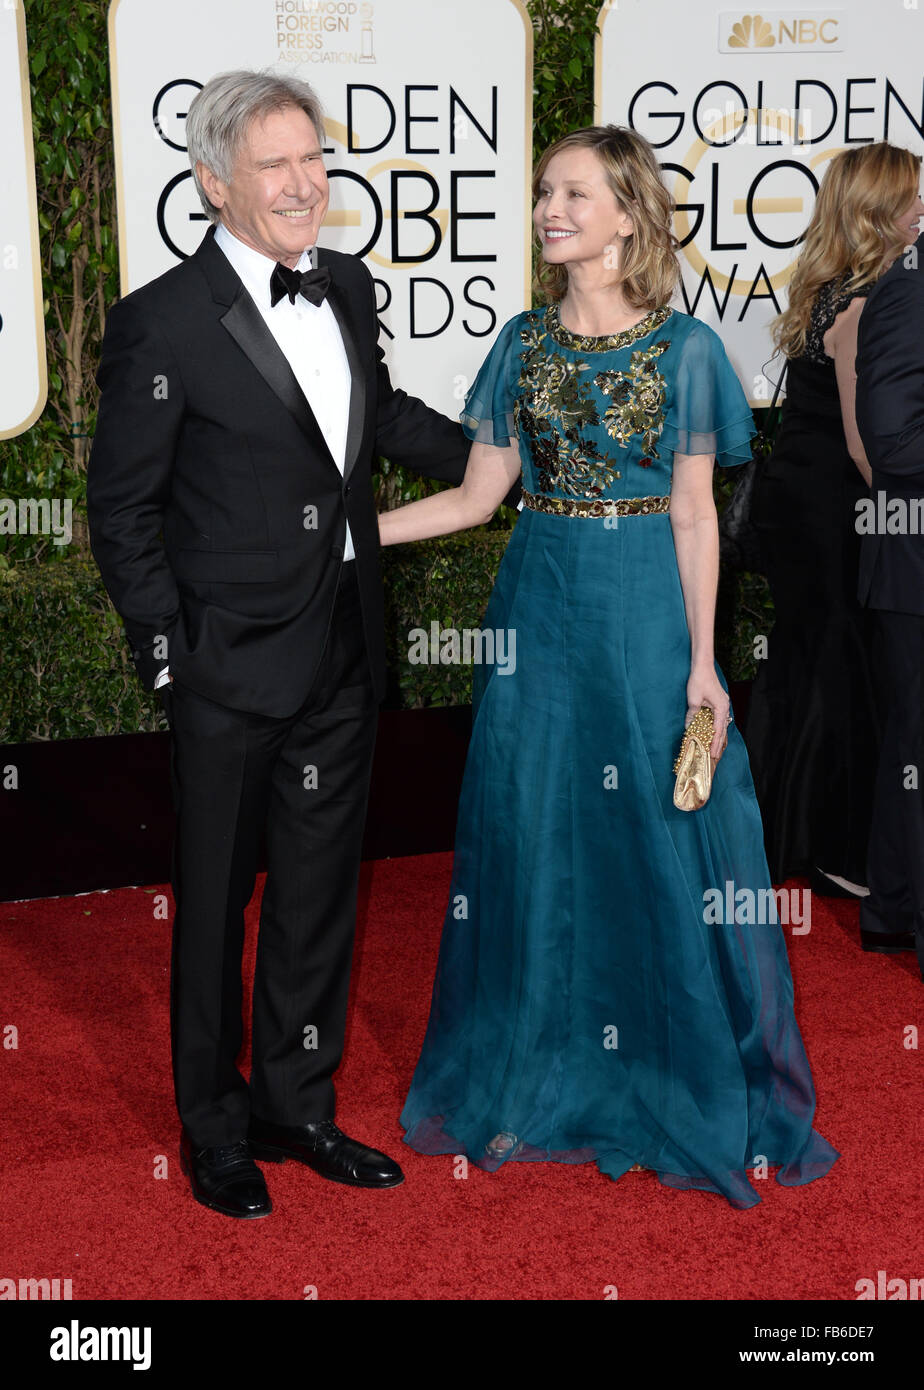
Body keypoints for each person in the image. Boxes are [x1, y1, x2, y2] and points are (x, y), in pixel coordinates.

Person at [379, 125, 839, 1209]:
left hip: (641, 608)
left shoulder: (685, 350)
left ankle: (673, 1072)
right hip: (540, 602)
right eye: (544, 191)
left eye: (574, 194)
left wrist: (703, 666)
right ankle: (549, 1064)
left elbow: (694, 514)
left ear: (628, 216)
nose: (550, 209)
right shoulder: (523, 343)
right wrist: (351, 534)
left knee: (669, 830)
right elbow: (478, 497)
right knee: (534, 824)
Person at [87, 70, 478, 1219]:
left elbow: (376, 421)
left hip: (342, 656)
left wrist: (496, 454)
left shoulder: (346, 284)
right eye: (277, 165)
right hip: (225, 665)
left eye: (314, 159)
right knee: (211, 904)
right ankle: (213, 1127)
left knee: (317, 895)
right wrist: (173, 650)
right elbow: (122, 509)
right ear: (214, 180)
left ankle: (297, 1103)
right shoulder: (159, 322)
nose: (308, 183)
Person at [747, 144, 924, 897]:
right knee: (839, 668)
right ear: (886, 210)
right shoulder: (866, 300)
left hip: (801, 499)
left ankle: (783, 837)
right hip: (836, 509)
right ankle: (830, 849)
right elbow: (866, 443)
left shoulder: (826, 284)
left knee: (806, 662)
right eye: (915, 198)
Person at [855, 222, 924, 977]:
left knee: (910, 750)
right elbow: (894, 443)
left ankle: (892, 911)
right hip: (914, 562)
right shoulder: (909, 285)